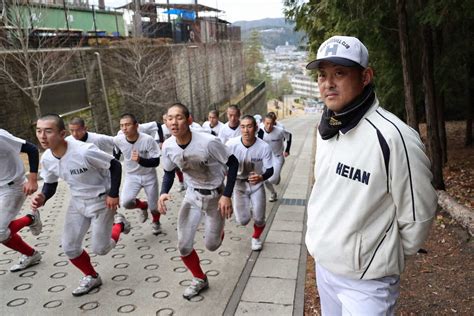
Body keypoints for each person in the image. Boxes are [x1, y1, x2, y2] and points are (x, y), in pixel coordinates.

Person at [305, 35, 438, 314]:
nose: (328, 83)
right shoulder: (328, 128)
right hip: (325, 266)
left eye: (339, 73)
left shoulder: (393, 136)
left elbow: (419, 213)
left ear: (366, 77)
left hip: (367, 281)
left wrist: (381, 257)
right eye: (322, 75)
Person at [32, 114, 130, 296]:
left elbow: (115, 165)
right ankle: (91, 276)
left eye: (48, 131)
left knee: (101, 249)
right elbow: (50, 183)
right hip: (77, 202)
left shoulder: (84, 151)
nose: (42, 136)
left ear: (62, 134)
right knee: (69, 247)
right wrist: (43, 197)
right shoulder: (47, 158)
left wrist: (114, 194)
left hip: (102, 201)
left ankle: (120, 224)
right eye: (38, 131)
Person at [158, 103, 239, 300]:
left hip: (216, 197)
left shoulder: (209, 142)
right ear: (165, 122)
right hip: (192, 196)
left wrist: (227, 195)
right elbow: (168, 171)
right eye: (170, 118)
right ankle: (199, 278)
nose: (174, 122)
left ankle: (218, 231)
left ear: (189, 120)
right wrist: (163, 193)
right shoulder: (168, 146)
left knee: (212, 245)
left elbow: (233, 162)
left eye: (179, 117)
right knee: (184, 245)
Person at [226, 115, 273, 251]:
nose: (246, 130)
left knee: (259, 218)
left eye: (249, 126)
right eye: (243, 127)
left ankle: (256, 237)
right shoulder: (231, 144)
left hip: (256, 184)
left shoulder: (264, 147)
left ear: (256, 128)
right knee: (242, 220)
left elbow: (270, 170)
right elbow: (221, 163)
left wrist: (261, 177)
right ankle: (249, 209)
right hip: (238, 185)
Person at [0, 129, 43, 272]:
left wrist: (32, 180)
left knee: (0, 231)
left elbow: (31, 149)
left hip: (13, 187)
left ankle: (30, 218)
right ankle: (31, 254)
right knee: (2, 231)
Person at [114, 113, 162, 234]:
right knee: (126, 202)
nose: (124, 128)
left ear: (136, 126)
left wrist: (141, 160)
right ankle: (142, 206)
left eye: (128, 125)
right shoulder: (118, 140)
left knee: (154, 207)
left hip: (149, 175)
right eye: (122, 125)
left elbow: (156, 162)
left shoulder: (148, 140)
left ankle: (156, 222)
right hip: (131, 176)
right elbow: (115, 157)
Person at [258, 113, 292, 202]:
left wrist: (287, 150)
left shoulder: (279, 130)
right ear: (263, 122)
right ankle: (273, 193)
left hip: (278, 156)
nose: (269, 126)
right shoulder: (259, 130)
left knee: (273, 179)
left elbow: (289, 136)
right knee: (265, 178)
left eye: (271, 124)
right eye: (267, 123)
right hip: (266, 157)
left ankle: (276, 177)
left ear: (274, 123)